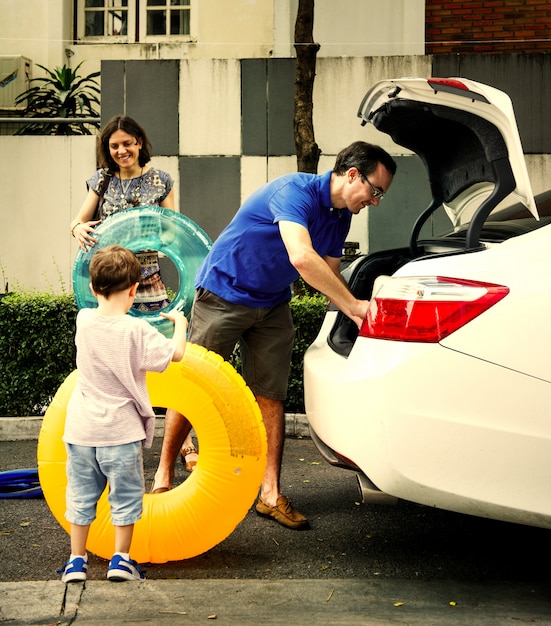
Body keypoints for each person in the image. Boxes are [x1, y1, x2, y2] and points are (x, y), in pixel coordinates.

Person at [151, 141, 397, 529]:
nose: (376, 201)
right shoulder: (294, 192)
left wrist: (357, 306)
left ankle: (269, 494)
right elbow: (301, 257)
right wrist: (354, 307)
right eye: (375, 190)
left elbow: (328, 275)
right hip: (224, 293)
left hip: (272, 304)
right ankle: (163, 477)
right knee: (194, 385)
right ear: (352, 174)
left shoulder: (340, 216)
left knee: (270, 394)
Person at [69, 115, 198, 478]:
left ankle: (184, 443)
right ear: (107, 150)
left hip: (148, 282)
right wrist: (78, 228)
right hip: (110, 287)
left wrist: (156, 231)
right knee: (113, 360)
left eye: (127, 143)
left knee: (164, 363)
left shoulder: (161, 180)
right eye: (114, 146)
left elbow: (175, 228)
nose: (121, 150)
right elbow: (77, 221)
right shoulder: (101, 180)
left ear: (140, 142)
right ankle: (110, 437)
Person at [57, 244, 188, 583]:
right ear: (134, 290)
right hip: (121, 432)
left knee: (82, 496)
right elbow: (176, 354)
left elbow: (99, 318)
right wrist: (180, 323)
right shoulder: (137, 332)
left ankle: (76, 561)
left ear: (92, 288)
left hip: (82, 431)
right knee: (125, 497)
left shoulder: (83, 320)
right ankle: (121, 560)